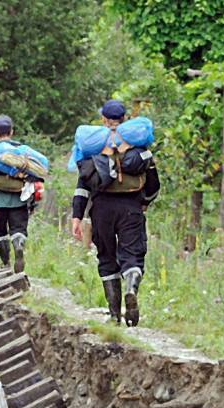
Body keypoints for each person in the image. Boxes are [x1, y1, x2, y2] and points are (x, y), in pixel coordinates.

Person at [71, 99, 160, 326]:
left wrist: (77, 216)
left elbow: (83, 187)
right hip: (131, 207)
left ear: (103, 120)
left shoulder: (93, 149)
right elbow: (153, 185)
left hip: (101, 209)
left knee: (107, 258)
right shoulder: (139, 148)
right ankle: (131, 286)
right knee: (132, 256)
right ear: (124, 119)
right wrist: (144, 203)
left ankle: (114, 315)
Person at [0, 115, 33, 273]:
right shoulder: (22, 151)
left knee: (0, 231)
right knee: (18, 229)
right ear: (12, 132)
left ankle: (5, 262)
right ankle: (18, 245)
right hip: (19, 198)